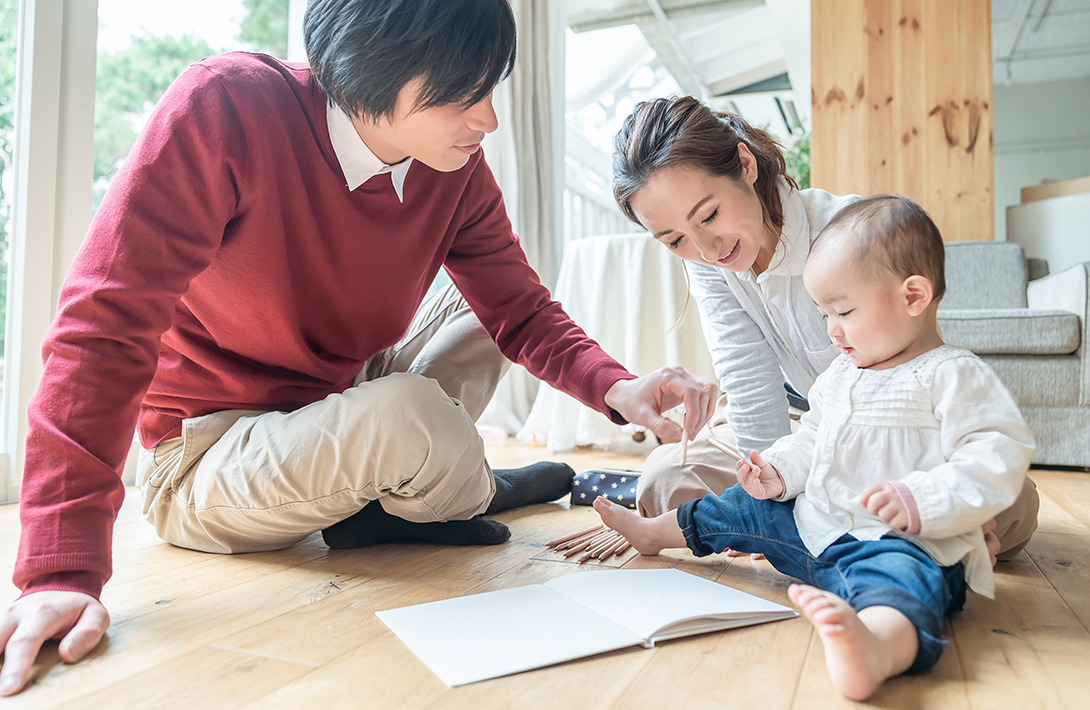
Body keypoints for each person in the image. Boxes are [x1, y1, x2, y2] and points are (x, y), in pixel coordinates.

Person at [0, 0, 719, 697]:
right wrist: (59, 571)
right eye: (463, 94)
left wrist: (617, 389)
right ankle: (463, 490)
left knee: (483, 312)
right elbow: (104, 326)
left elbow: (521, 309)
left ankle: (400, 493)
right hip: (205, 455)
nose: (488, 119)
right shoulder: (227, 109)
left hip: (337, 399)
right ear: (373, 67)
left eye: (490, 87)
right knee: (410, 413)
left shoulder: (453, 166)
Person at [594, 195, 1036, 701]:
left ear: (913, 295)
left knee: (903, 585)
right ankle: (654, 534)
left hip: (903, 540)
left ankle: (875, 649)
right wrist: (779, 472)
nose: (832, 330)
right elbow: (811, 437)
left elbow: (996, 455)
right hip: (817, 527)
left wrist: (924, 499)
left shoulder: (954, 374)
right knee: (742, 506)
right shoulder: (843, 373)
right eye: (824, 313)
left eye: (843, 311)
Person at [611, 95, 1038, 559]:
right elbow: (751, 383)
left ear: (745, 164)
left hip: (890, 426)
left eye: (709, 216)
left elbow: (919, 360)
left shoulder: (852, 232)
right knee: (662, 482)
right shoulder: (707, 263)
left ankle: (837, 527)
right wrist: (762, 487)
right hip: (801, 429)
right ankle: (863, 530)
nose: (707, 249)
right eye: (675, 240)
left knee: (1012, 505)